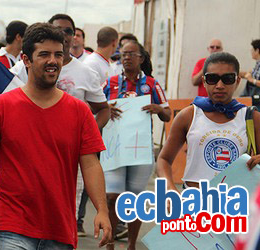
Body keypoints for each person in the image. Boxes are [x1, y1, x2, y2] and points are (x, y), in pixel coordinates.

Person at [0, 22, 112, 249]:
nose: (53, 61)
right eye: (44, 54)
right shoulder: (0, 106)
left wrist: (102, 211)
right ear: (26, 60)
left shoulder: (80, 111)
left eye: (58, 54)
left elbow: (90, 164)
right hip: (11, 225)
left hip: (59, 229)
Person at [9, 14, 112, 237]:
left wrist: (87, 135)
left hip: (68, 159)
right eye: (58, 30)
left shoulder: (86, 72)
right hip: (28, 158)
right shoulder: (19, 68)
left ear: (73, 36)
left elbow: (103, 109)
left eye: (68, 31)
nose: (64, 35)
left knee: (63, 223)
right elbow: (6, 100)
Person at [157, 52, 260, 192]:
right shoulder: (188, 116)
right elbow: (163, 160)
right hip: (194, 203)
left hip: (236, 205)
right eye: (212, 78)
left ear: (237, 81)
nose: (219, 85)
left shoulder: (251, 117)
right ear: (204, 81)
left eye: (227, 79)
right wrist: (169, 188)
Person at [102, 41, 171, 250]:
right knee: (112, 197)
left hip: (140, 148)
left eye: (131, 54)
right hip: (115, 147)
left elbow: (168, 115)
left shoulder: (151, 84)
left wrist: (157, 108)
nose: (126, 58)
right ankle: (111, 242)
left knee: (134, 199)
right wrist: (106, 108)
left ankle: (131, 244)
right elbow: (94, 107)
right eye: (123, 54)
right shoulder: (111, 83)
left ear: (141, 58)